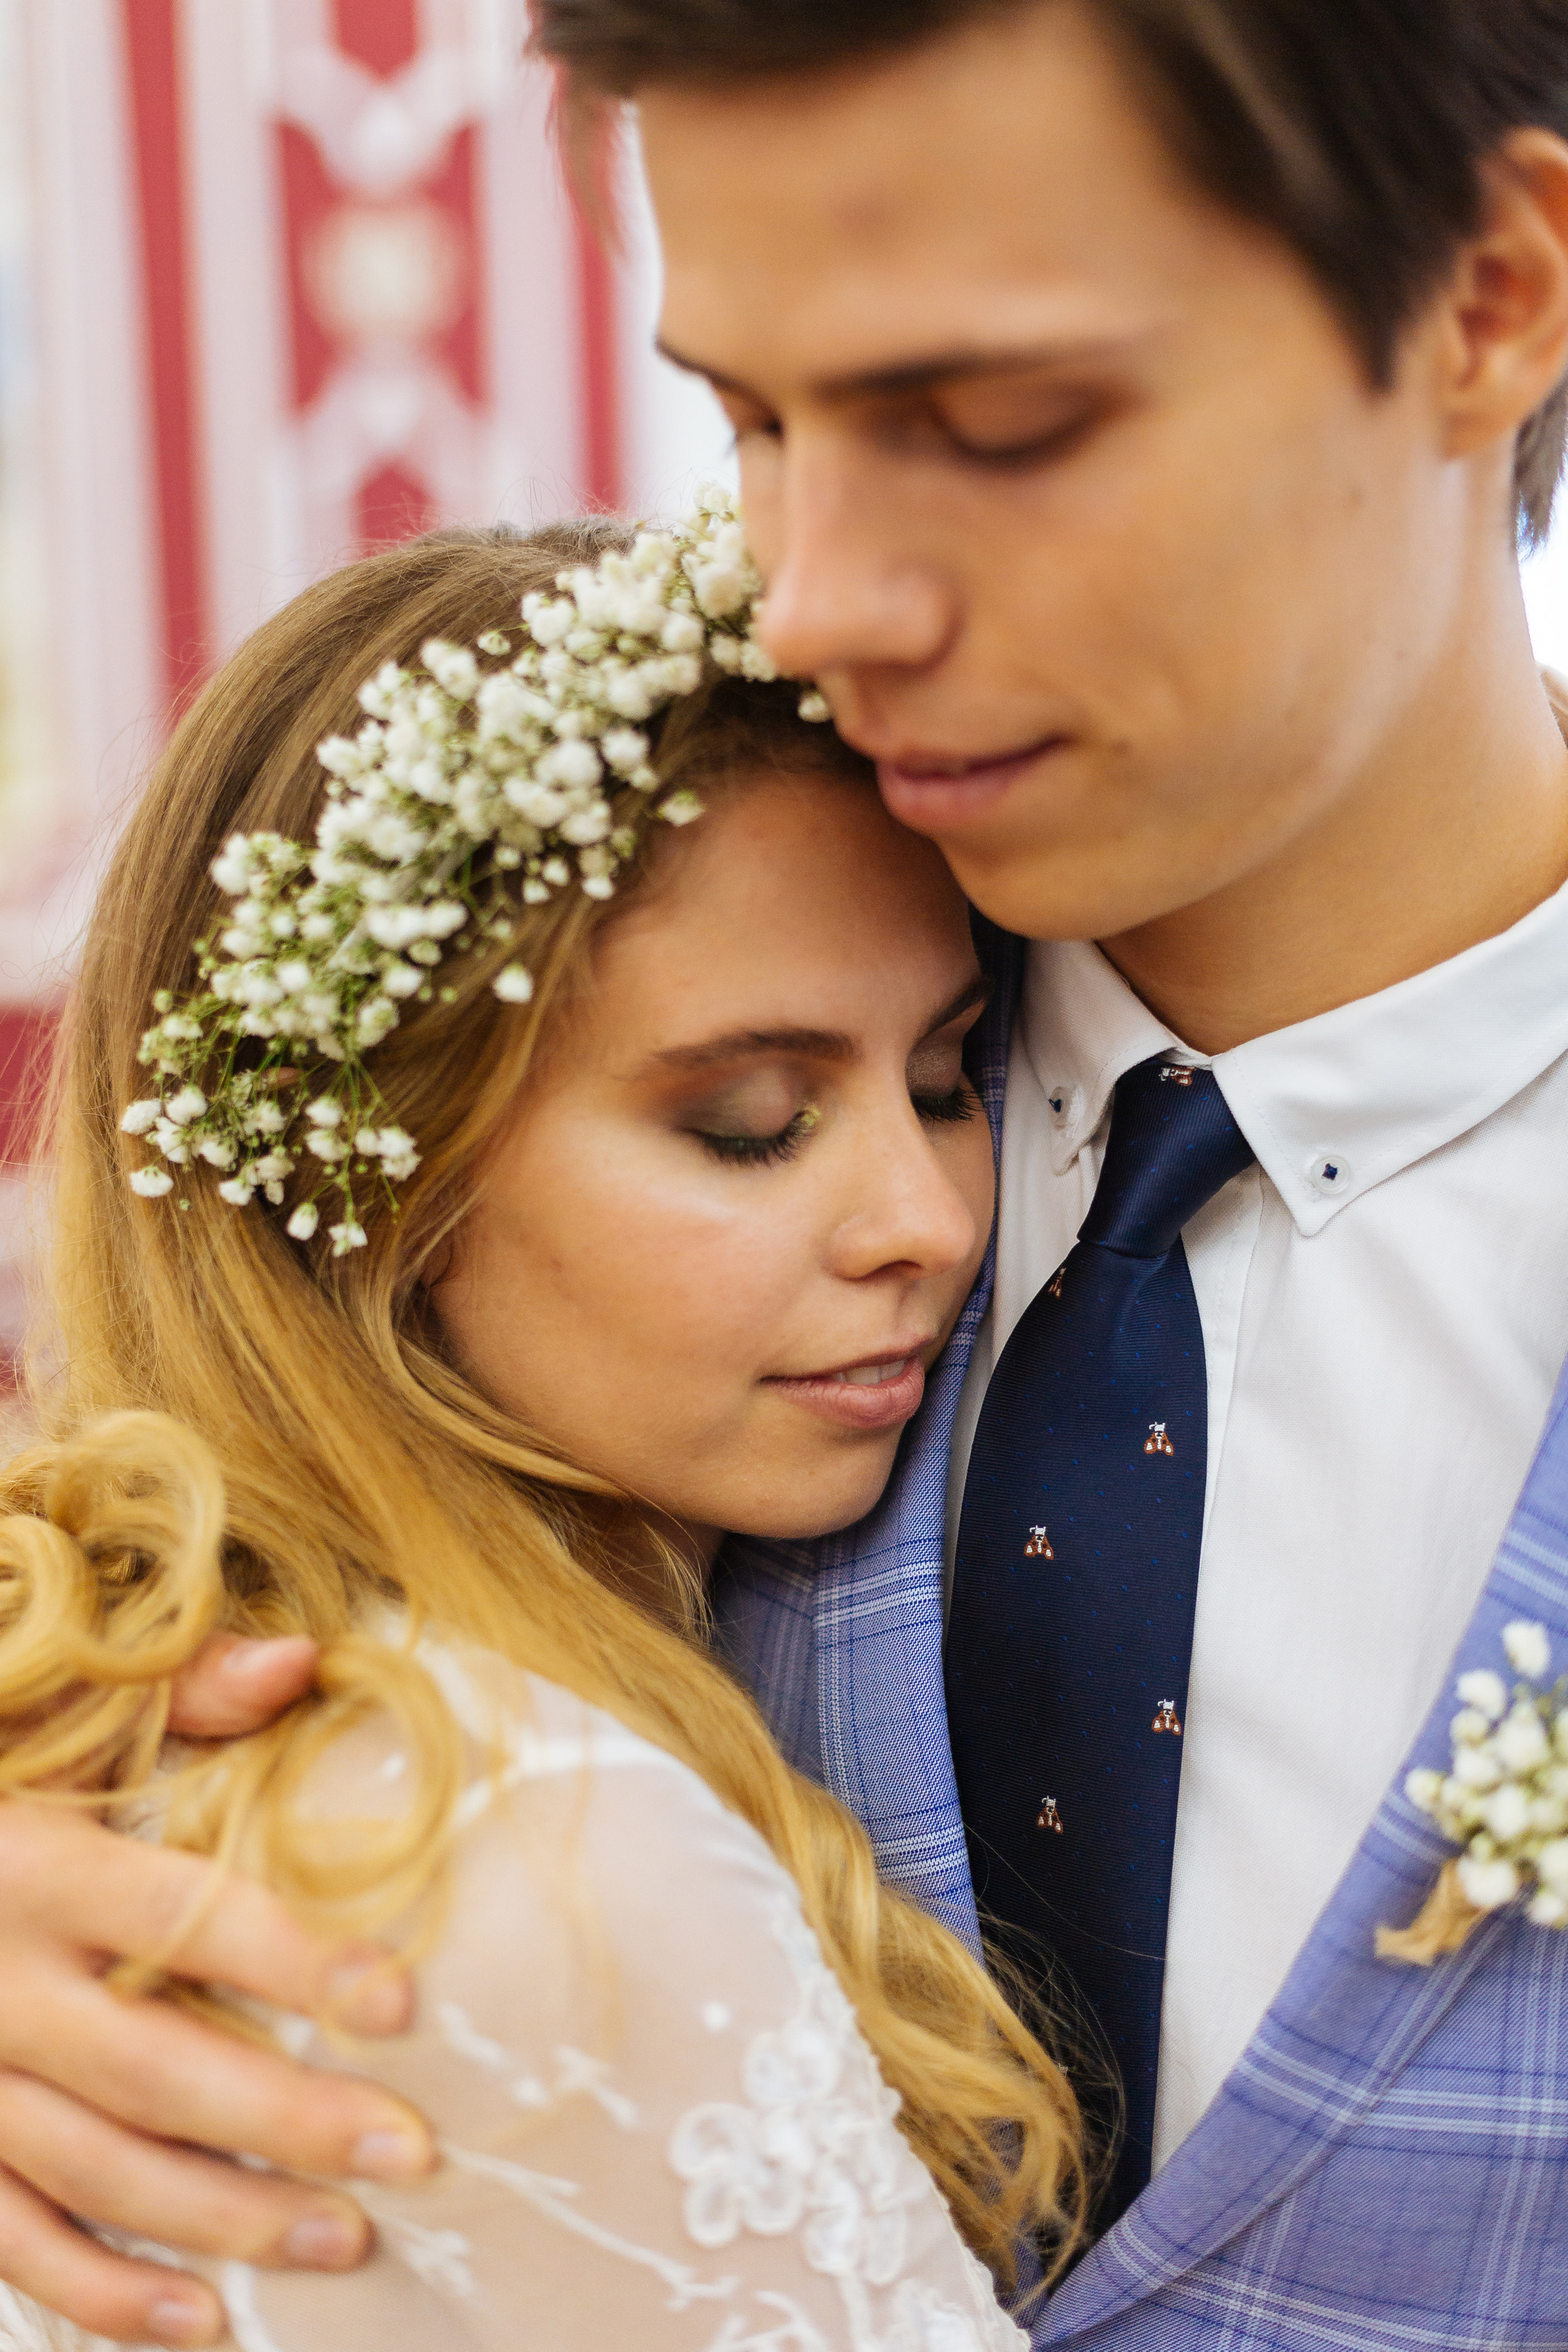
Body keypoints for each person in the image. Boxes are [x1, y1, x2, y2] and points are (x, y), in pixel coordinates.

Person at [9, 0, 1568, 2340]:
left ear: (1490, 298)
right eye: (748, 413)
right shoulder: (633, 995)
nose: (817, 596)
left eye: (998, 424)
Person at [0, 513, 1085, 2351]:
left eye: (941, 1079)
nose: (927, 1219)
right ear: (379, 1188)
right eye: (749, 1119)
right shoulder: (531, 1844)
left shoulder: (164, 1741)